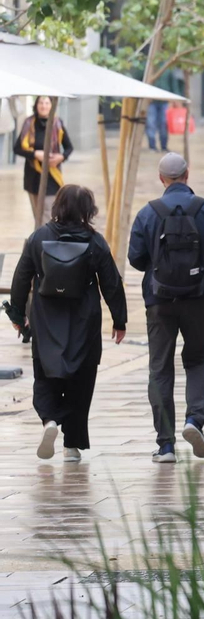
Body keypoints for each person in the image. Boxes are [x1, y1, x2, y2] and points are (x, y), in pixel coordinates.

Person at [6, 186, 127, 462]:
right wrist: (119, 319)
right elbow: (111, 283)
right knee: (81, 381)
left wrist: (17, 317)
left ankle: (49, 420)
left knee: (45, 376)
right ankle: (71, 445)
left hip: (46, 320)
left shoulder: (38, 238)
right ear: (88, 210)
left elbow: (20, 279)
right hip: (83, 320)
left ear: (57, 206)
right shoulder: (95, 242)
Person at [128, 153, 204, 462]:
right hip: (198, 298)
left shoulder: (148, 213)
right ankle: (194, 421)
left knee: (160, 368)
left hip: (159, 301)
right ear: (188, 175)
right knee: (197, 361)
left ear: (161, 179)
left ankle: (166, 445)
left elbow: (135, 259)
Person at [14, 95, 72, 220]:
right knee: (37, 215)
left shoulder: (57, 123)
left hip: (52, 174)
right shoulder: (28, 123)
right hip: (33, 176)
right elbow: (17, 148)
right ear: (36, 105)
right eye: (41, 103)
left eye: (47, 103)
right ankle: (40, 238)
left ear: (52, 106)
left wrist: (61, 157)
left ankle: (44, 238)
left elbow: (69, 147)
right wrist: (35, 154)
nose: (44, 106)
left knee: (48, 213)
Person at [146, 69, 184, 151]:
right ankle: (152, 146)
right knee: (151, 123)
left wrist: (176, 99)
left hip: (165, 101)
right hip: (151, 101)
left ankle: (164, 146)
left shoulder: (168, 69)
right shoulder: (149, 67)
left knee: (164, 123)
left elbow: (174, 85)